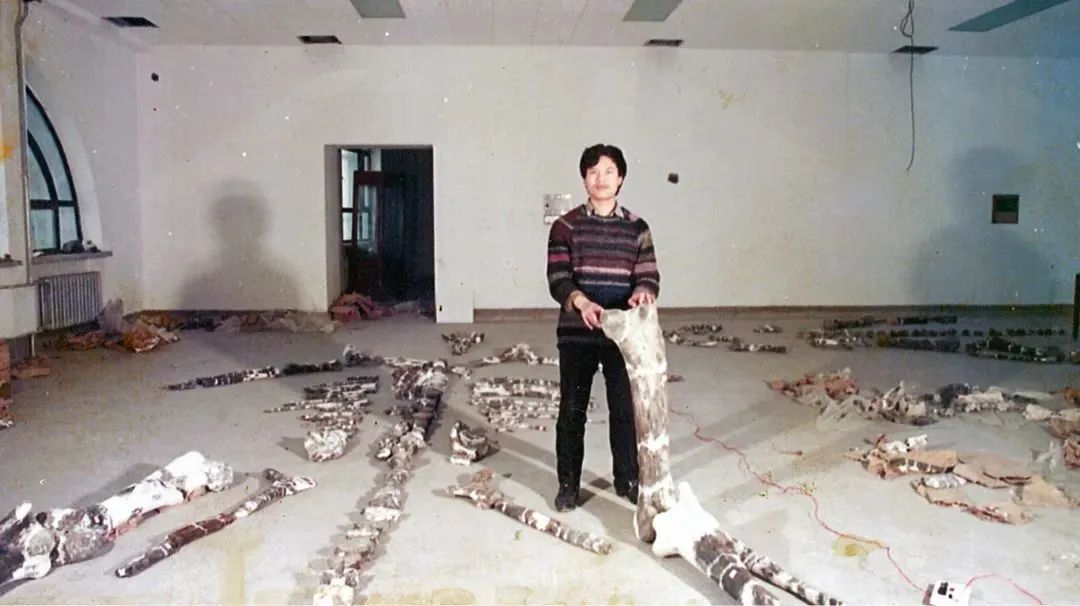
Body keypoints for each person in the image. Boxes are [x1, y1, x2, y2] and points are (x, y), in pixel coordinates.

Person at [545, 143, 660, 512]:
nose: (601, 179)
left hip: (621, 337)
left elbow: (648, 276)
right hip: (577, 334)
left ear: (621, 178)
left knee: (624, 411)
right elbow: (558, 278)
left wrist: (642, 293)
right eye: (593, 172)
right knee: (572, 410)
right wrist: (581, 302)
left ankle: (627, 479)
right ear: (584, 179)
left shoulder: (638, 228)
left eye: (609, 171)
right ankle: (568, 485)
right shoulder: (565, 226)